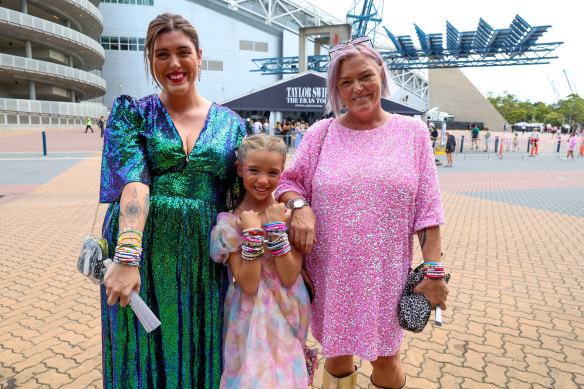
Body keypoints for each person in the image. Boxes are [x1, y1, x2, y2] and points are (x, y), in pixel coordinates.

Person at [274, 36, 448, 389]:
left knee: (386, 364)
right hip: (332, 274)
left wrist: (434, 270)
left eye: (365, 76)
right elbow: (288, 183)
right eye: (345, 82)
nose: (357, 89)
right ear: (336, 89)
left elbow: (428, 209)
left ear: (381, 74)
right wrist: (300, 205)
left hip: (386, 274)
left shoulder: (412, 132)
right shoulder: (322, 133)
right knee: (337, 361)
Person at [99, 13, 246, 388]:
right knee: (140, 352)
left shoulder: (233, 124)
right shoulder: (132, 112)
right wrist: (127, 255)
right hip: (142, 253)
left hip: (204, 258)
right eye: (161, 54)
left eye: (183, 52)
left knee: (203, 348)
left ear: (200, 56)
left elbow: (244, 199)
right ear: (150, 60)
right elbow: (134, 181)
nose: (174, 63)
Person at [210, 134, 311, 388]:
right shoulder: (230, 223)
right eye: (254, 170)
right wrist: (252, 233)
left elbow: (289, 277)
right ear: (240, 169)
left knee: (287, 377)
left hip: (289, 306)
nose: (263, 180)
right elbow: (249, 284)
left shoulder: (290, 217)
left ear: (282, 172)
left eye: (273, 172)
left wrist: (276, 228)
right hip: (248, 313)